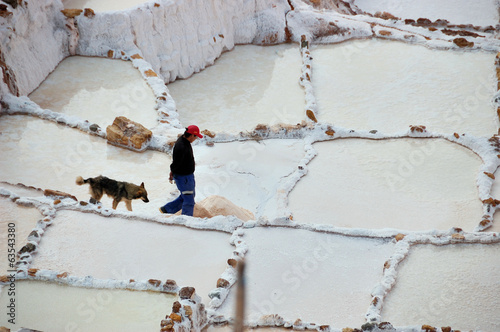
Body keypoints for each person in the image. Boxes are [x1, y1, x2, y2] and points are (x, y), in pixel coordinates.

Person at [160, 125, 203, 216]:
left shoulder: (184, 140)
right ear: (191, 135)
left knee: (188, 195)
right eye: (196, 136)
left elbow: (176, 161)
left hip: (187, 176)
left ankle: (167, 209)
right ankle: (186, 221)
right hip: (184, 178)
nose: (196, 139)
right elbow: (176, 163)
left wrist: (172, 172)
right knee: (189, 201)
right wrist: (173, 174)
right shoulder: (181, 146)